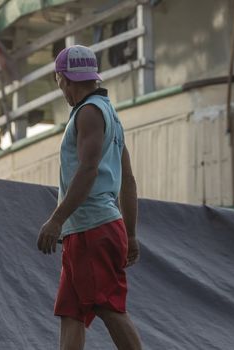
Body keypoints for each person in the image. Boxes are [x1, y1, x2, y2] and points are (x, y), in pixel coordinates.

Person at [37, 45, 142, 350]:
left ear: (66, 79)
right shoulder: (112, 116)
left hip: (91, 228)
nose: (62, 92)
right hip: (89, 229)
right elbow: (129, 181)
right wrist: (131, 235)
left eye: (60, 84)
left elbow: (88, 170)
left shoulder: (88, 113)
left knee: (109, 307)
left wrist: (56, 220)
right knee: (71, 314)